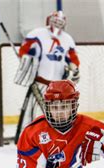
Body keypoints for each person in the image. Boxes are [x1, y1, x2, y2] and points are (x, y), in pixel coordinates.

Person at [13, 10, 80, 142]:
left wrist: (74, 67)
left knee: (59, 114)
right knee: (36, 113)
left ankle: (59, 137)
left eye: (60, 22)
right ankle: (33, 138)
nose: (57, 25)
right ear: (49, 20)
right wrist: (26, 57)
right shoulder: (37, 33)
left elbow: (72, 57)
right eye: (55, 21)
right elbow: (25, 49)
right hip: (39, 82)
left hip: (59, 87)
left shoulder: (67, 39)